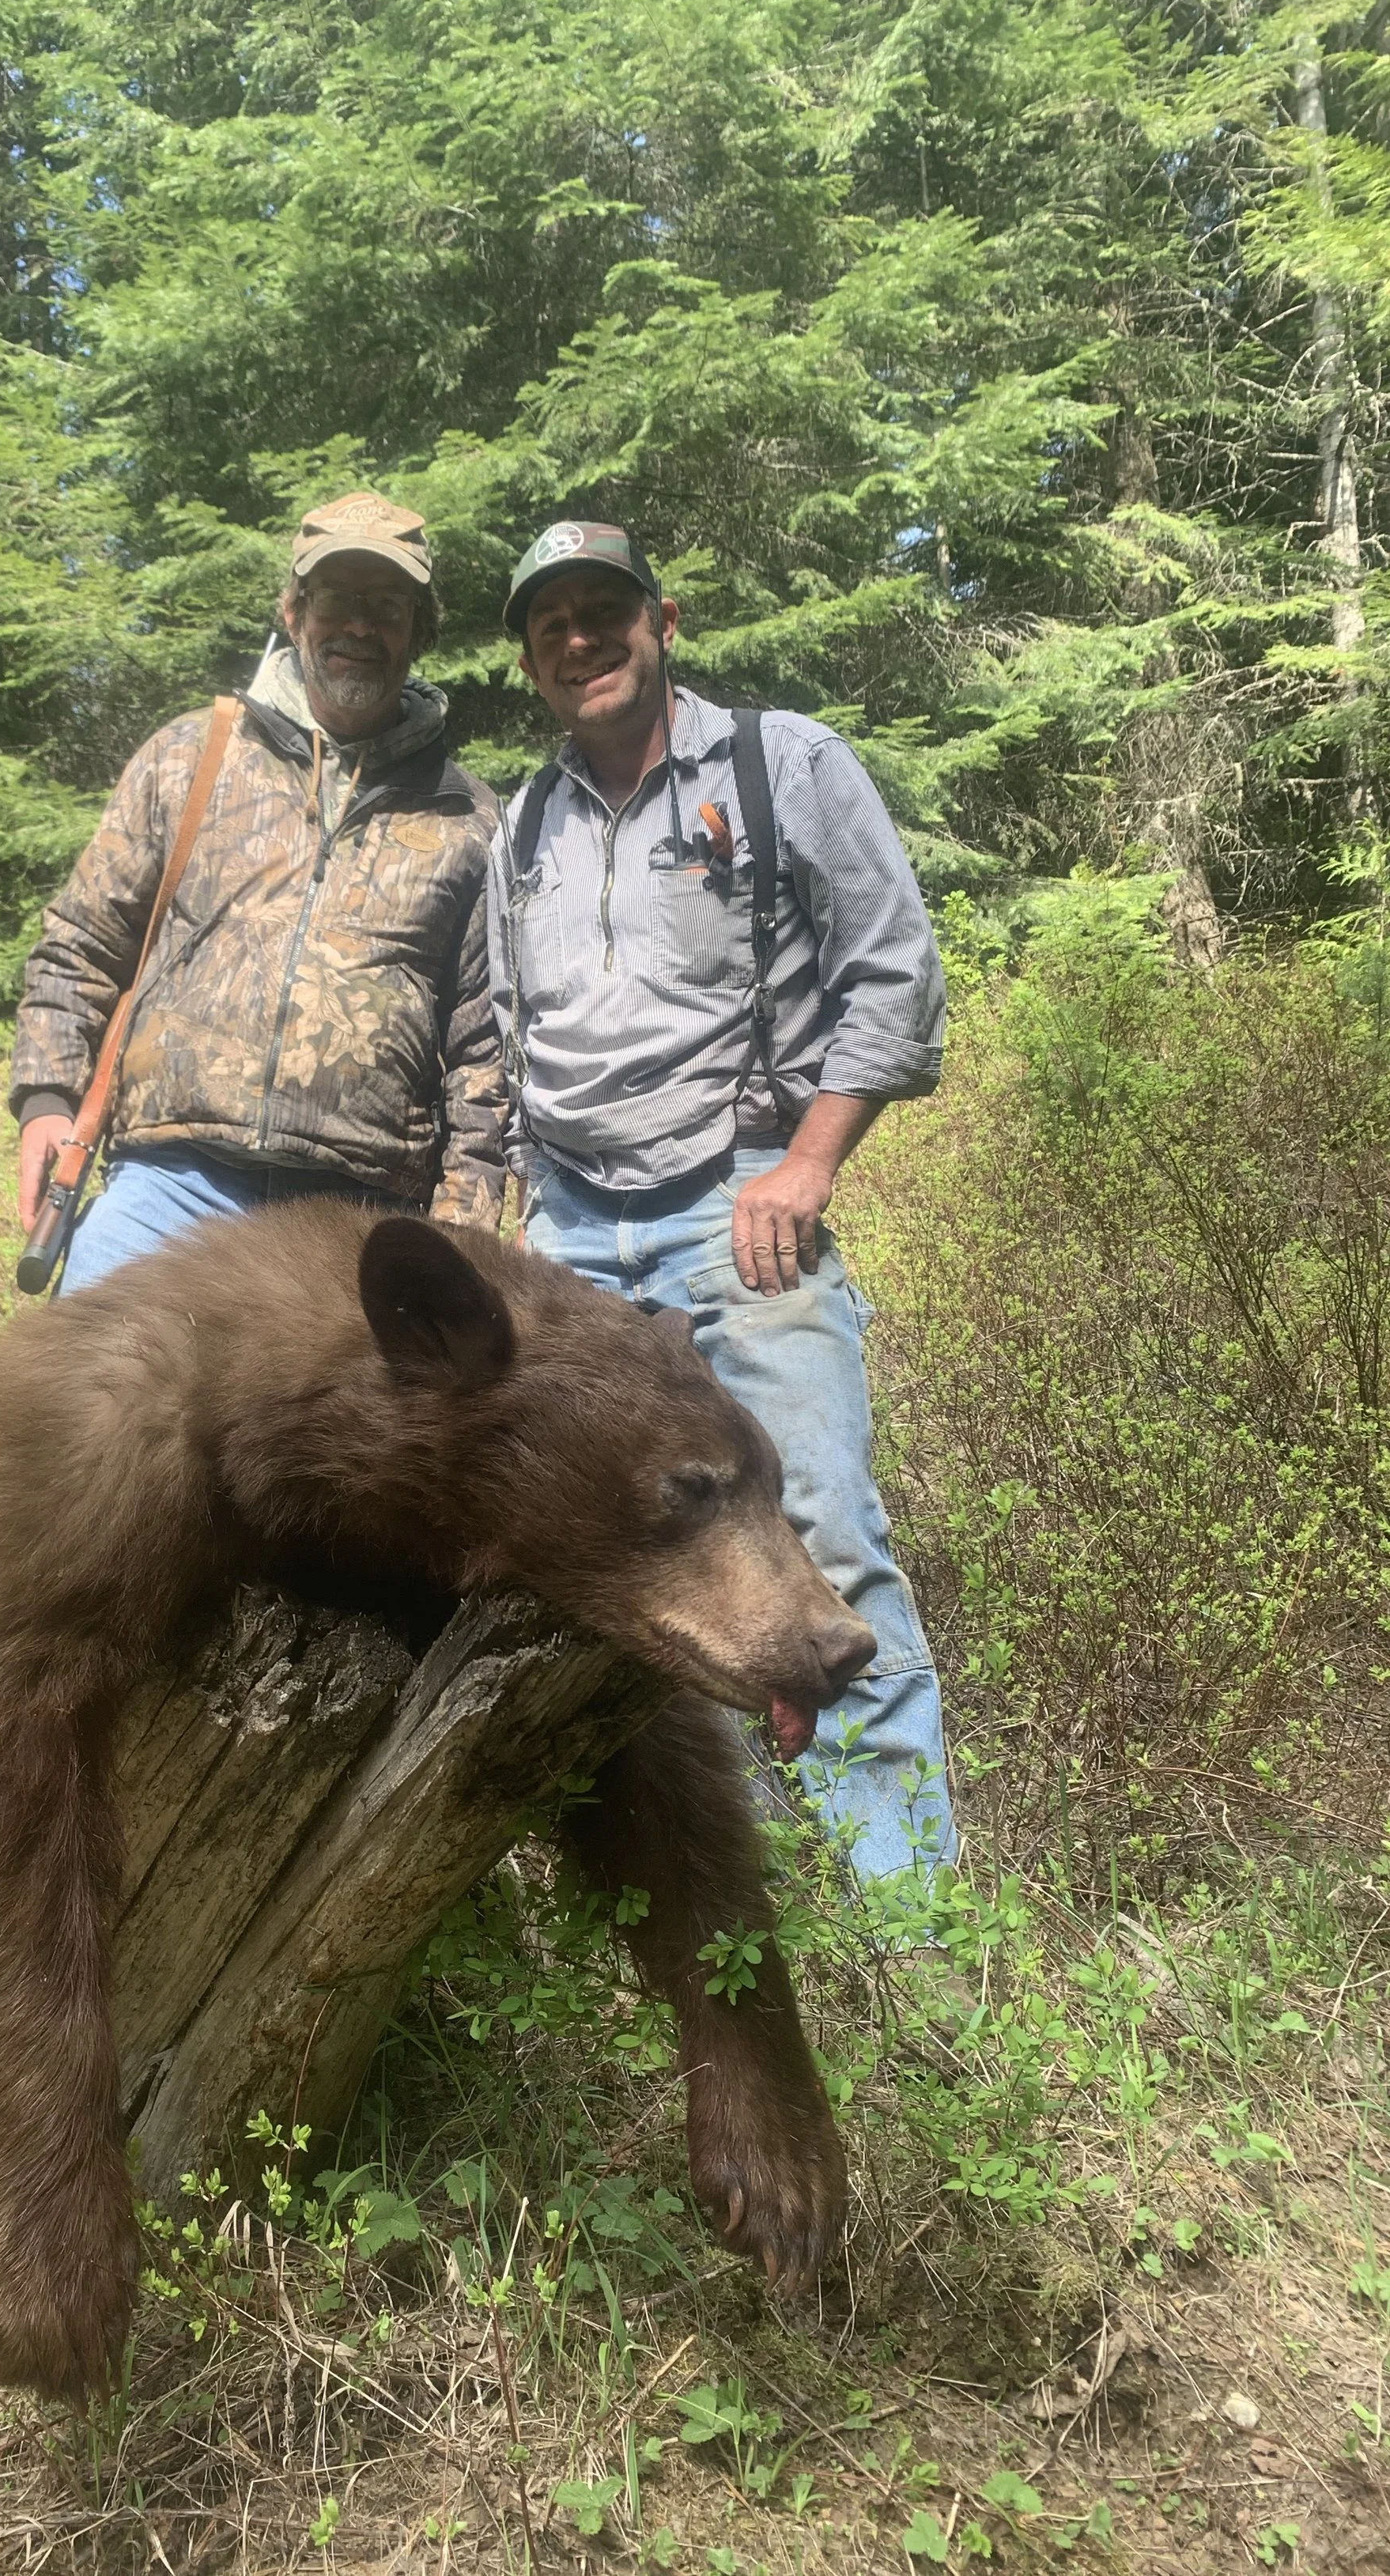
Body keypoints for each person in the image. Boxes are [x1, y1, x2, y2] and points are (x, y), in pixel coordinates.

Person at [489, 520, 955, 1880]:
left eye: (604, 609)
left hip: (737, 1210)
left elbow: (896, 975)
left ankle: (913, 1936)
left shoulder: (781, 763)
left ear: (663, 619)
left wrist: (806, 1162)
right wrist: (517, 1212)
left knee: (815, 1540)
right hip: (571, 1238)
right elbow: (503, 1031)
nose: (582, 636)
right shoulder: (521, 820)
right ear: (529, 656)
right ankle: (707, 1897)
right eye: (552, 622)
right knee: (616, 1569)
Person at [11, 494, 506, 1284]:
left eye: (385, 606)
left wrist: (463, 1236)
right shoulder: (187, 758)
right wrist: (46, 1101)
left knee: (334, 1417)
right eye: (337, 600)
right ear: (293, 610)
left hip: (358, 1214)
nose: (359, 627)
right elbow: (80, 943)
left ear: (421, 629)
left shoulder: (469, 819)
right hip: (167, 1187)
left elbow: (485, 1053)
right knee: (89, 1405)